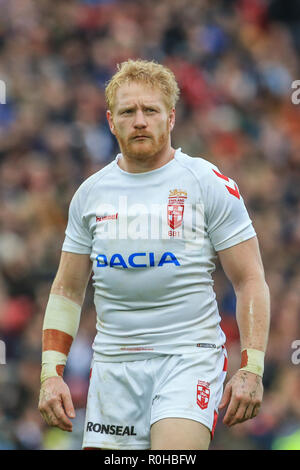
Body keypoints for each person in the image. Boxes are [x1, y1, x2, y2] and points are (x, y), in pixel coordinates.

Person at [38, 59, 270, 450]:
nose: (140, 121)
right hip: (113, 366)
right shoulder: (91, 194)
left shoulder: (206, 183)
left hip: (188, 356)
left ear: (171, 118)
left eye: (151, 110)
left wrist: (252, 367)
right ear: (111, 121)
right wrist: (50, 373)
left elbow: (249, 279)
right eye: (129, 112)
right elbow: (67, 289)